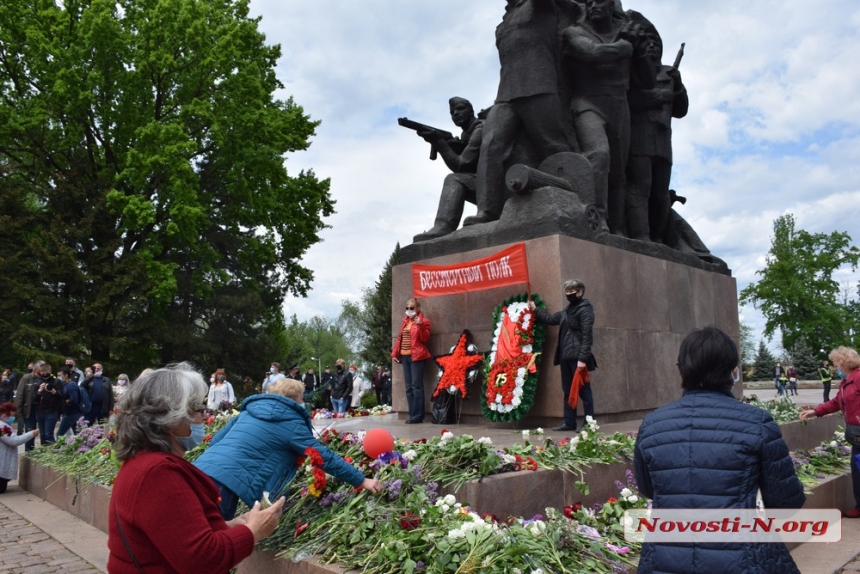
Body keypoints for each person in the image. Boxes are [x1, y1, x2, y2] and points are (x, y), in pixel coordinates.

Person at [635, 327, 805, 573]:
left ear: (681, 369)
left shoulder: (652, 424)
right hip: (743, 560)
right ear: (733, 370)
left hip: (664, 558)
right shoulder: (756, 422)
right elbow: (786, 501)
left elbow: (648, 489)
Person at [108, 363, 285, 573]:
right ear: (170, 419)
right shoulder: (157, 473)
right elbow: (203, 559)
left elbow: (178, 536)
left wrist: (234, 526)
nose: (202, 416)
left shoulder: (144, 462)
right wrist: (253, 531)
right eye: (194, 409)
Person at [194, 378, 381, 520]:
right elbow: (324, 457)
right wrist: (361, 480)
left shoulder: (247, 413)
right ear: (294, 400)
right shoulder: (291, 424)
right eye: (301, 398)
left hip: (197, 472)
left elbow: (215, 441)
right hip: (223, 488)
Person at [468, 0, 573, 227]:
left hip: (539, 86)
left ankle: (576, 199)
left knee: (553, 146)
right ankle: (487, 210)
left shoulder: (541, 6)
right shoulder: (502, 25)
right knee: (490, 145)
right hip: (506, 93)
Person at [624, 11, 688, 241]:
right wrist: (658, 97)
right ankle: (642, 237)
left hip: (663, 142)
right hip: (639, 138)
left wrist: (678, 85)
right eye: (646, 43)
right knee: (640, 189)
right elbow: (628, 101)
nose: (651, 47)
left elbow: (681, 110)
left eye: (655, 43)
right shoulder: (632, 74)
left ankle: (659, 238)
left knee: (660, 195)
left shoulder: (668, 73)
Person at [413, 97, 484, 242]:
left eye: (460, 109)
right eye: (452, 112)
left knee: (454, 179)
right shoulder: (466, 134)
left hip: (498, 188)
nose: (456, 113)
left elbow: (461, 165)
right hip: (486, 185)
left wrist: (439, 142)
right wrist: (454, 146)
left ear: (471, 111)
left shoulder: (480, 129)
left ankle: (443, 226)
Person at [800, 346, 860, 517]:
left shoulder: (858, 377)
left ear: (845, 363)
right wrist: (815, 411)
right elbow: (836, 403)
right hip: (856, 436)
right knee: (857, 471)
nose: (835, 368)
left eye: (836, 364)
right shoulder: (845, 382)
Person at [529, 280, 596, 431]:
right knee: (567, 390)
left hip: (578, 358)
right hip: (565, 357)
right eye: (567, 291)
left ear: (580, 292)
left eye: (572, 290)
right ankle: (569, 422)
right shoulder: (566, 311)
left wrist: (583, 359)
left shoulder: (585, 310)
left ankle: (589, 423)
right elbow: (550, 319)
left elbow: (587, 336)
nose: (569, 293)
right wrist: (535, 309)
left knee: (584, 391)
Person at [391, 298, 432, 423]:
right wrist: (394, 353)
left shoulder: (424, 321)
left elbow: (425, 338)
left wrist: (420, 325)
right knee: (408, 387)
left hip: (417, 357)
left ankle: (418, 416)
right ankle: (412, 414)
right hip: (405, 356)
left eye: (411, 308)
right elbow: (400, 339)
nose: (409, 310)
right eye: (407, 308)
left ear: (418, 309)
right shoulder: (405, 321)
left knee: (416, 386)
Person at [1, 402, 39, 494]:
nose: (12, 418)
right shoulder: (2, 427)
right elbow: (14, 441)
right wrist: (31, 434)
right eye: (11, 415)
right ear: (4, 414)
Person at [14, 360, 45, 451]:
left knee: (43, 431)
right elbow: (20, 394)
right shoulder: (26, 378)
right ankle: (29, 451)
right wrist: (18, 410)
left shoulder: (46, 378)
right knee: (30, 431)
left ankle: (43, 451)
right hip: (30, 409)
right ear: (35, 369)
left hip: (42, 409)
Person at [34, 363, 63, 445]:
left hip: (51, 411)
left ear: (50, 371)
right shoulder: (39, 382)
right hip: (40, 412)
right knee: (42, 435)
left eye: (46, 371)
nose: (44, 373)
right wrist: (39, 390)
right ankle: (44, 452)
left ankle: (53, 451)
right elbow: (34, 399)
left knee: (48, 434)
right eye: (42, 372)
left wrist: (53, 391)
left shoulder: (56, 381)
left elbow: (61, 397)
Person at [57, 366, 84, 437]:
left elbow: (74, 400)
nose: (59, 377)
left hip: (71, 414)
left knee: (59, 434)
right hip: (70, 413)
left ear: (66, 375)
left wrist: (64, 402)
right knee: (78, 434)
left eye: (60, 375)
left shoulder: (71, 386)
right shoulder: (65, 385)